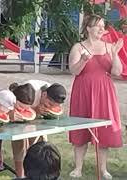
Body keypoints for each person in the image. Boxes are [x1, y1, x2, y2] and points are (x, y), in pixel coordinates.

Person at [68, 14, 123, 179]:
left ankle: (103, 169)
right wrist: (83, 60)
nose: (102, 28)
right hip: (83, 92)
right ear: (88, 28)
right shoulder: (78, 47)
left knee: (103, 130)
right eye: (98, 25)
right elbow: (74, 71)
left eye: (103, 25)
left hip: (104, 92)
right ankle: (78, 168)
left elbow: (117, 72)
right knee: (81, 129)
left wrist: (114, 54)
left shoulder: (108, 46)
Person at [10, 80, 66, 177]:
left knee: (41, 148)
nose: (50, 107)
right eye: (50, 104)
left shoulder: (55, 92)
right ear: (44, 95)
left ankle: (41, 175)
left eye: (54, 106)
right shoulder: (30, 90)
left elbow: (58, 108)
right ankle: (20, 176)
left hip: (38, 122)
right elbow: (17, 108)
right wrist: (35, 110)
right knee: (20, 147)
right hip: (18, 119)